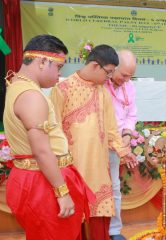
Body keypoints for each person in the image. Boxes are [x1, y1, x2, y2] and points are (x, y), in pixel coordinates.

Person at [3, 34, 94, 239]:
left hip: (39, 178)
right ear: (42, 61)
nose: (59, 76)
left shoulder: (17, 86)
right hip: (42, 183)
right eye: (58, 67)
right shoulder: (31, 96)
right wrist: (62, 192)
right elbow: (42, 151)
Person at [50, 45, 138, 240]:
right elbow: (53, 132)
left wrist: (124, 152)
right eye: (108, 73)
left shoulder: (102, 92)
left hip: (98, 169)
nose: (109, 78)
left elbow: (111, 131)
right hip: (72, 168)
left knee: (99, 223)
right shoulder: (62, 89)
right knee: (74, 221)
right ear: (95, 66)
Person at [104, 49, 137, 240]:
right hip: (98, 144)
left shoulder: (129, 86)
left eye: (130, 76)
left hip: (118, 144)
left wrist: (126, 134)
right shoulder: (100, 84)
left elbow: (131, 114)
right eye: (124, 74)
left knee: (114, 187)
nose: (126, 79)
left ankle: (114, 230)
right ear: (113, 67)